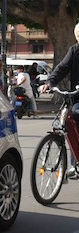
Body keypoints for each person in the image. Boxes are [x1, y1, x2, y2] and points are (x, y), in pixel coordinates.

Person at [41, 21, 79, 165]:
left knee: (77, 113)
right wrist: (49, 83)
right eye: (78, 36)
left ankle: (75, 163)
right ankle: (75, 162)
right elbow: (62, 68)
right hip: (76, 96)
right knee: (70, 120)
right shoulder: (74, 50)